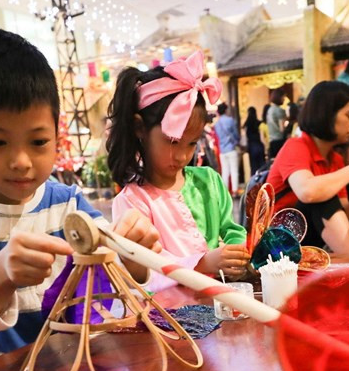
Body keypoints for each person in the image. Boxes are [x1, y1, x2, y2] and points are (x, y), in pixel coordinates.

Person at [0, 28, 160, 366]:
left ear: (57, 131)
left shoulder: (67, 202)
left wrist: (132, 258)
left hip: (58, 369)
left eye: (39, 142)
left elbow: (115, 278)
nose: (22, 162)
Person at [106, 50, 250, 291]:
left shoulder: (209, 182)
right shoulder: (133, 202)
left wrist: (237, 253)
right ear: (140, 128)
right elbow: (148, 270)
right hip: (170, 316)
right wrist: (204, 263)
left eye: (192, 143)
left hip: (220, 301)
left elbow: (231, 229)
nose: (183, 156)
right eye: (172, 141)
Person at [266, 80, 349, 256]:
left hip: (309, 242)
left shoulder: (334, 159)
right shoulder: (295, 146)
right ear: (327, 115)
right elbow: (308, 192)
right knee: (320, 196)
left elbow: (343, 218)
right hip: (276, 246)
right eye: (348, 115)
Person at [213, 103, 241, 196]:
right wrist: (236, 141)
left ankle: (225, 192)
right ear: (225, 110)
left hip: (222, 150)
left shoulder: (216, 124)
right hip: (231, 148)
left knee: (225, 171)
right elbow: (236, 135)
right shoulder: (230, 120)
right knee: (234, 171)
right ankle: (235, 191)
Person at [243, 106, 266, 175]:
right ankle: (262, 182)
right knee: (262, 166)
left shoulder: (246, 124)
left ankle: (254, 183)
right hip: (259, 145)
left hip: (251, 147)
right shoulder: (259, 123)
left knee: (253, 167)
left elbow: (245, 137)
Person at [266, 90, 287, 159]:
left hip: (272, 140)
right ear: (279, 97)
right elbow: (282, 128)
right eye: (283, 97)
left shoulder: (270, 110)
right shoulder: (279, 110)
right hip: (279, 140)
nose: (284, 99)